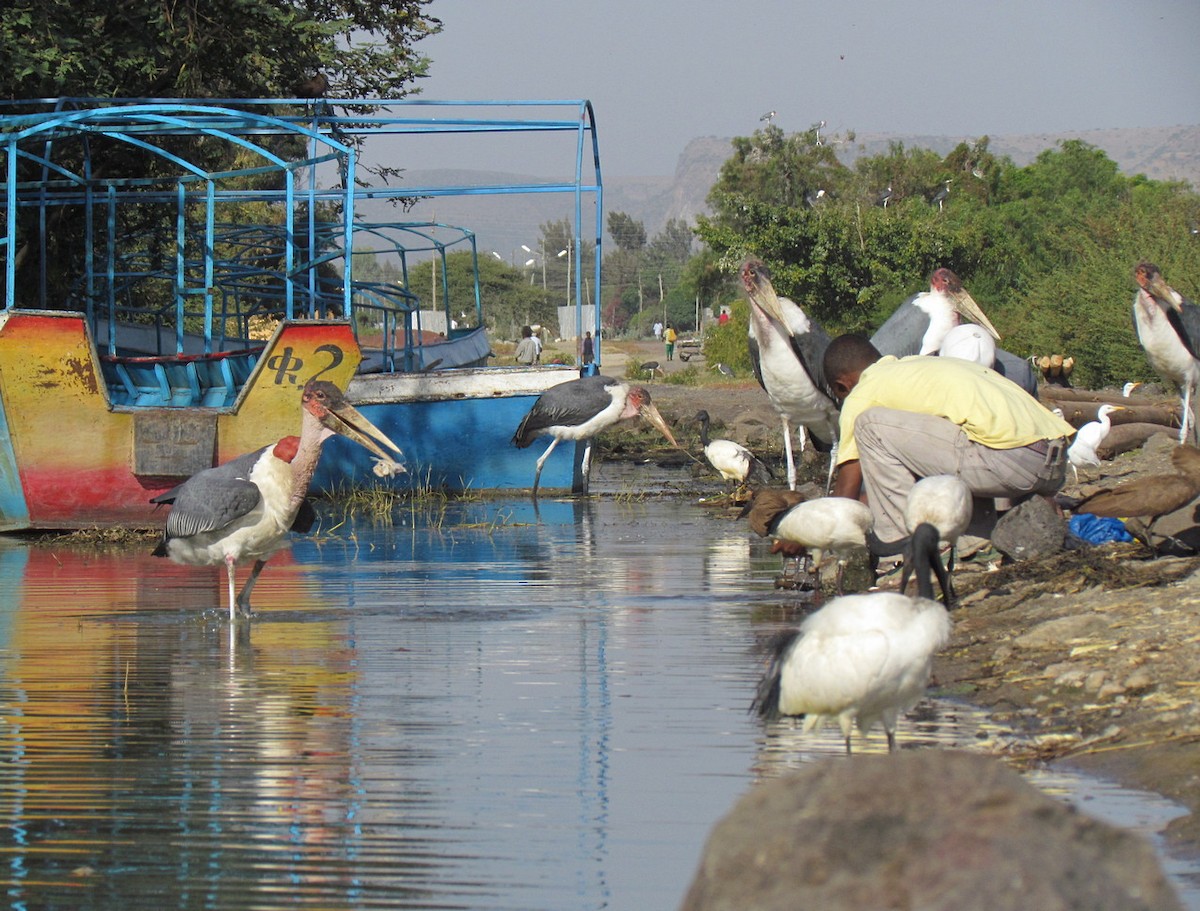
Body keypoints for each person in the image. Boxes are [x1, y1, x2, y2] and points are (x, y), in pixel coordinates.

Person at [821, 334, 1076, 549]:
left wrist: (808, 533)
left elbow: (846, 493)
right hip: (1055, 460)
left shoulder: (862, 393)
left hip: (1012, 462)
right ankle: (975, 542)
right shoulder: (920, 369)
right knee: (964, 432)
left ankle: (902, 547)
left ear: (841, 386)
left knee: (869, 424)